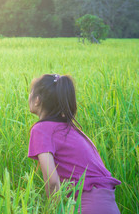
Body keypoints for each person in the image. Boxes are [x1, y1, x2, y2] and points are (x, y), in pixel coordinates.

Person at [27, 74, 121, 214]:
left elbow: (52, 183)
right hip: (108, 205)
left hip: (87, 207)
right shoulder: (73, 131)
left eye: (30, 93)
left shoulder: (41, 130)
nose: (28, 96)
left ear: (37, 100)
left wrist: (55, 210)